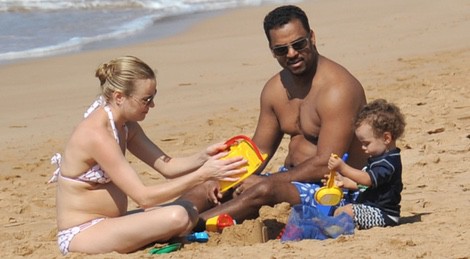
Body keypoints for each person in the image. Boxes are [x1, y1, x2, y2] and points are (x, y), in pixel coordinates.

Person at [181, 5, 368, 227]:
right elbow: (257, 153)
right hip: (289, 178)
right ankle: (167, 217)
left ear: (312, 37)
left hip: (335, 188)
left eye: (299, 44)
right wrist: (221, 180)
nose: (291, 54)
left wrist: (263, 180)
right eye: (281, 50)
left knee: (263, 188)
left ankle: (189, 225)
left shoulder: (338, 89)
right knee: (211, 185)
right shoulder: (275, 90)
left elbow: (326, 164)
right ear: (271, 50)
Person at [47, 56, 247, 255]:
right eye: (146, 99)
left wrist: (204, 156)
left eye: (153, 96)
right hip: (82, 232)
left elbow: (167, 166)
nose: (152, 105)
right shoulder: (97, 135)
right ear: (119, 97)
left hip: (111, 223)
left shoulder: (125, 125)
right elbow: (144, 198)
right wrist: (203, 175)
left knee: (189, 209)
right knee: (178, 216)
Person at [328, 99, 405, 229]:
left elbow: (368, 180)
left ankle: (331, 226)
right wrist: (345, 182)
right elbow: (367, 186)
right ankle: (331, 222)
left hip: (383, 214)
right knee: (339, 203)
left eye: (366, 143)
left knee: (348, 211)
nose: (363, 148)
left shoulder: (388, 163)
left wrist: (343, 167)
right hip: (371, 207)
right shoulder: (378, 158)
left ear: (386, 138)